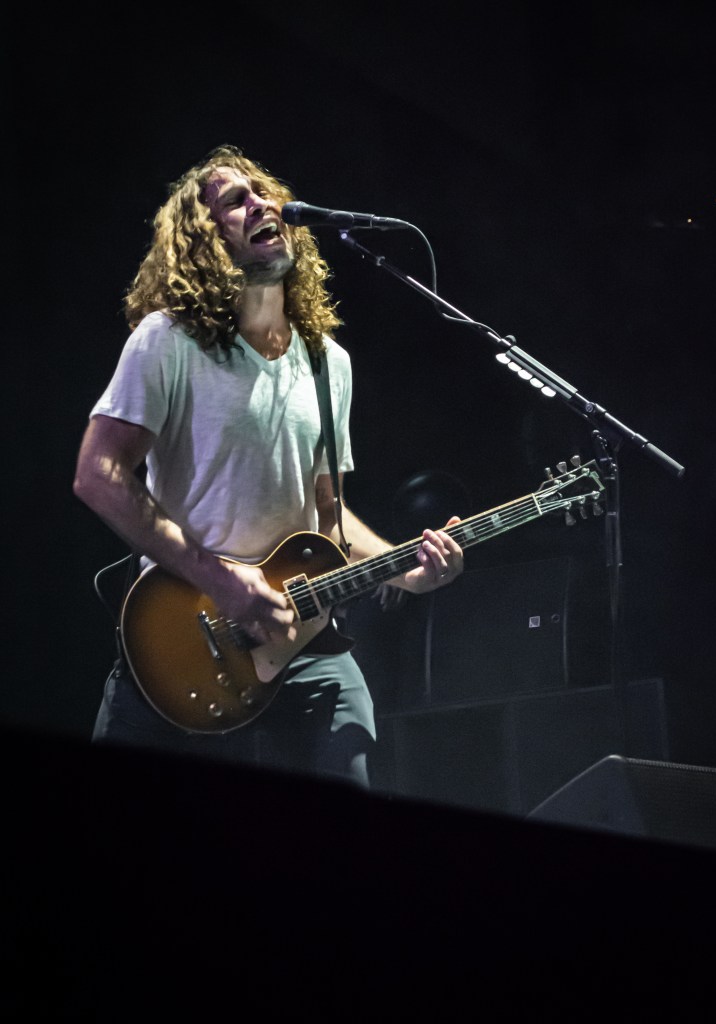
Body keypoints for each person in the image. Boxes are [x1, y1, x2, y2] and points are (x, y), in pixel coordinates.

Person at [73, 144, 463, 788]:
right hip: (183, 632)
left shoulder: (328, 363)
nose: (261, 205)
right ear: (203, 240)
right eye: (236, 201)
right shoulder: (168, 341)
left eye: (264, 193)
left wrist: (409, 572)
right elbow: (98, 474)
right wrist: (220, 580)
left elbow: (329, 514)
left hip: (303, 638)